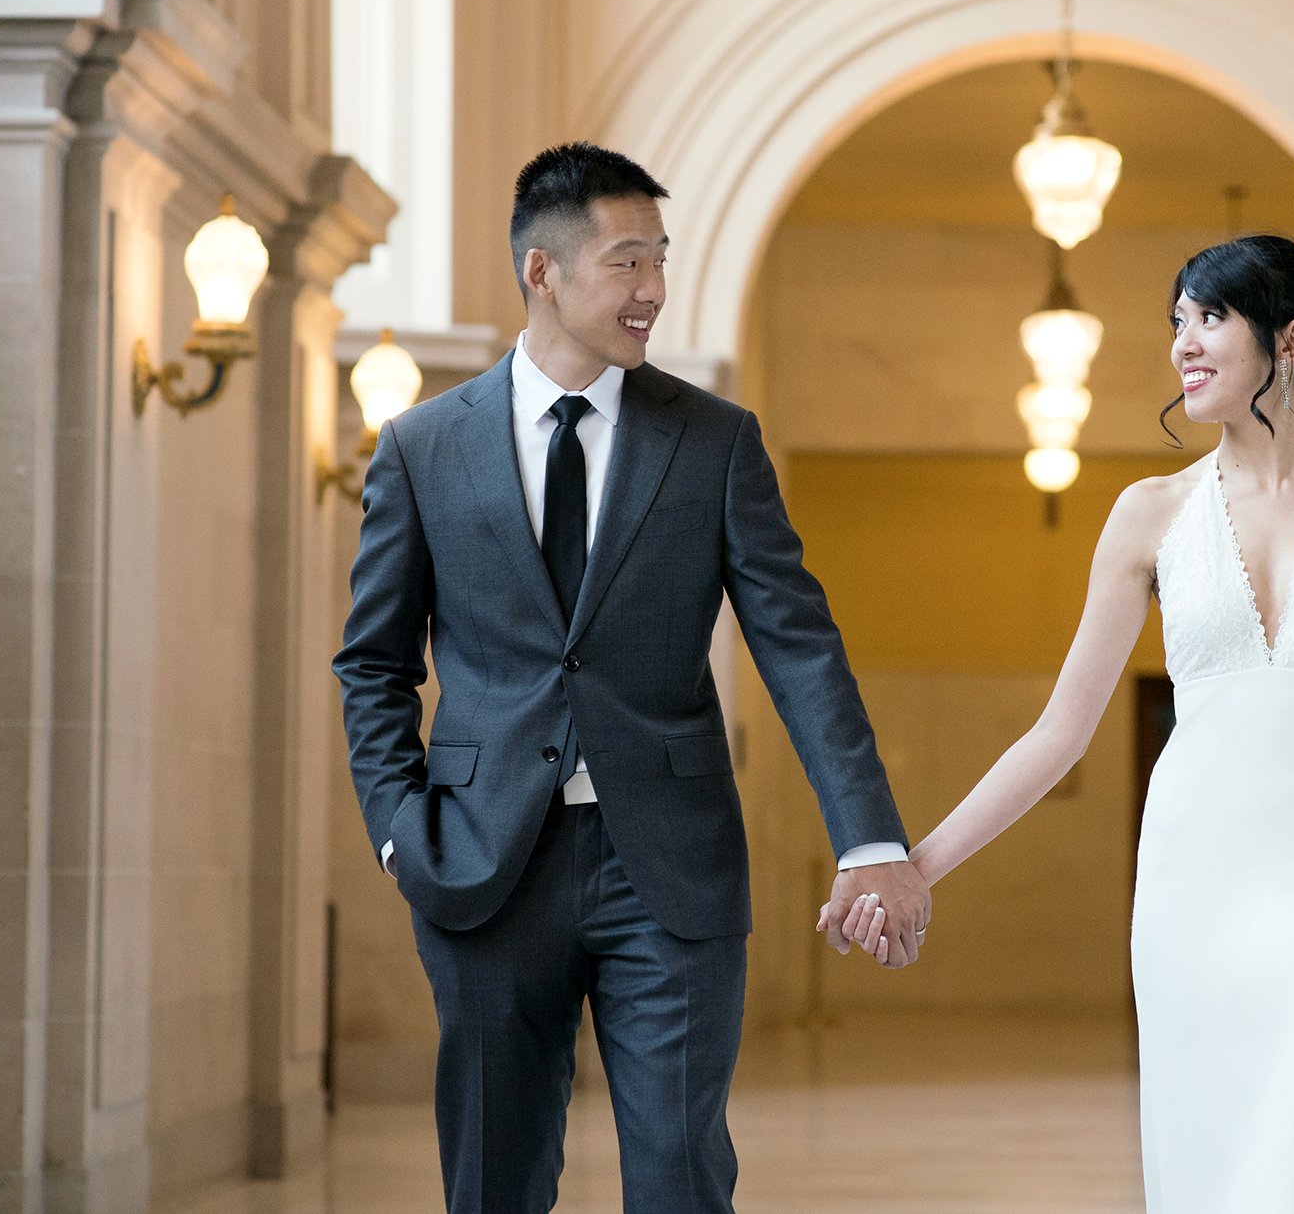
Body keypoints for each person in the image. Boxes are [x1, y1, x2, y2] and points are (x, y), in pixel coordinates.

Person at [336, 141, 930, 1214]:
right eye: (626, 262)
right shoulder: (422, 447)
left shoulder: (713, 443)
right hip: (479, 863)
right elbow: (373, 664)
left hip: (669, 863)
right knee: (492, 1179)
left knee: (678, 1175)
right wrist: (397, 826)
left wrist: (870, 836)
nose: (652, 290)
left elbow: (797, 642)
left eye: (659, 260)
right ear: (542, 271)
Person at [828, 233, 1294, 1212]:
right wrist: (919, 861)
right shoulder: (1146, 514)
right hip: (1191, 880)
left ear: (1291, 338)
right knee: (1207, 1158)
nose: (1183, 343)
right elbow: (1058, 731)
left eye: (1211, 317)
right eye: (1176, 320)